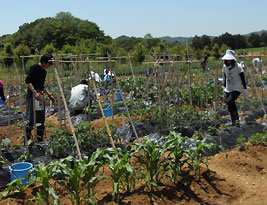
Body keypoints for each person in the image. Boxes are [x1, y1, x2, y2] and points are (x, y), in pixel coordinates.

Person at [25, 53, 55, 143]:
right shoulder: (34, 68)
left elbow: (42, 86)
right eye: (49, 64)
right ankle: (27, 141)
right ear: (44, 62)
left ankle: (39, 139)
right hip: (32, 95)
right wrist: (35, 92)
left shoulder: (44, 72)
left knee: (41, 117)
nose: (49, 66)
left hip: (40, 96)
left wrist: (49, 95)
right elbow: (28, 81)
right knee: (31, 117)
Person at [222, 49, 248, 126]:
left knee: (229, 101)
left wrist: (245, 88)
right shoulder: (224, 67)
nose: (228, 60)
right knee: (230, 104)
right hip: (228, 87)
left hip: (237, 87)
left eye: (230, 59)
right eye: (227, 59)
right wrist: (224, 87)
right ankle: (235, 120)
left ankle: (235, 119)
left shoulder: (238, 66)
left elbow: (242, 78)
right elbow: (225, 77)